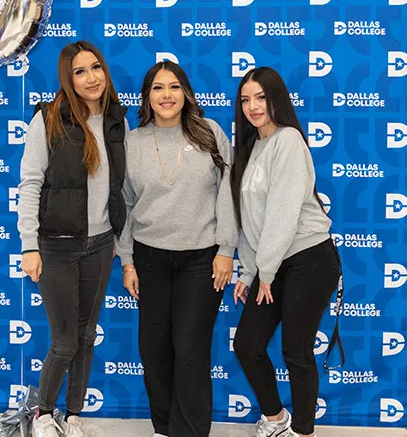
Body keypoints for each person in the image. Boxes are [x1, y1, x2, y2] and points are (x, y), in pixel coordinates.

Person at [117, 61, 237, 437]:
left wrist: (226, 250)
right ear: (147, 97)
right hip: (149, 258)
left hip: (201, 259)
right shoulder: (133, 142)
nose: (166, 95)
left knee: (190, 351)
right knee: (154, 352)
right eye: (157, 88)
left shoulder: (209, 133)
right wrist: (127, 263)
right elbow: (124, 206)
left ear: (185, 92)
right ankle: (163, 428)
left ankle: (190, 431)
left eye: (173, 87)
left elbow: (228, 195)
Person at [17, 41, 128, 437]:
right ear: (68, 77)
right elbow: (30, 183)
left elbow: (121, 189)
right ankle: (43, 414)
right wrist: (29, 244)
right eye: (80, 71)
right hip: (57, 246)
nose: (91, 77)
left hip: (100, 246)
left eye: (96, 67)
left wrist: (121, 243)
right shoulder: (47, 119)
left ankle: (74, 414)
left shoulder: (117, 120)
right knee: (64, 341)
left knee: (85, 336)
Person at [229, 67, 341, 437]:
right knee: (247, 345)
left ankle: (303, 432)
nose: (253, 106)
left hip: (308, 259)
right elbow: (250, 219)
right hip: (271, 265)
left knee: (296, 350)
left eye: (260, 97)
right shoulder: (251, 147)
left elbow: (282, 213)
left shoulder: (289, 140)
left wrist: (264, 272)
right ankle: (276, 419)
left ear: (276, 98)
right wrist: (249, 272)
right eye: (245, 99)